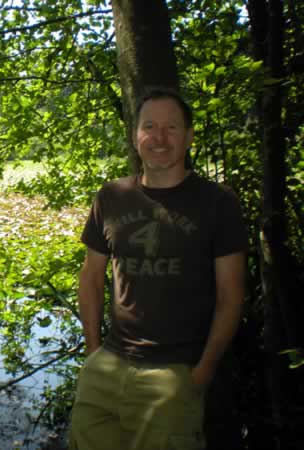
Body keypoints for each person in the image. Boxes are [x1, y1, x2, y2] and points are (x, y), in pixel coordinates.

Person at [68, 88, 248, 450]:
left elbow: (232, 297)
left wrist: (203, 371)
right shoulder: (111, 196)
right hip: (107, 367)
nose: (159, 138)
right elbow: (91, 278)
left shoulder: (217, 203)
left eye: (171, 128)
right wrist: (92, 351)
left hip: (174, 374)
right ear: (135, 136)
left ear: (189, 136)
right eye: (149, 127)